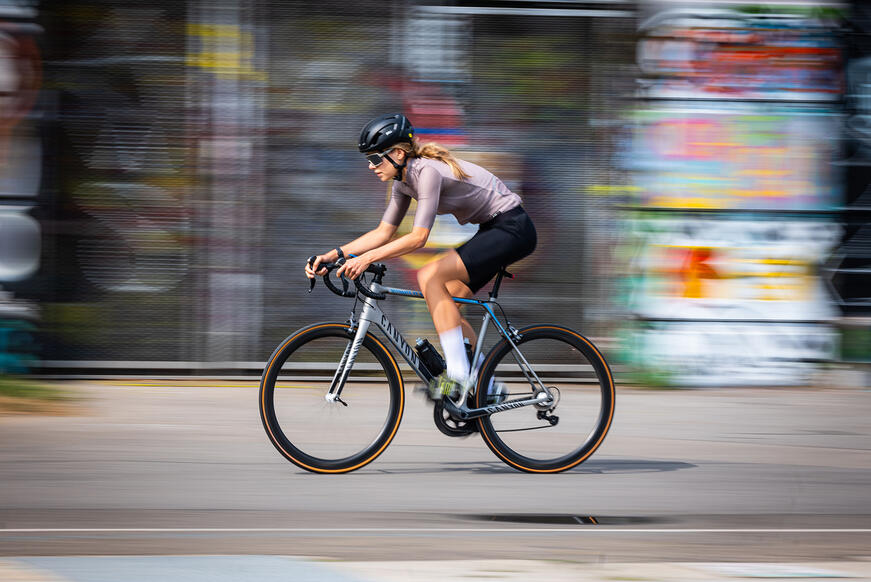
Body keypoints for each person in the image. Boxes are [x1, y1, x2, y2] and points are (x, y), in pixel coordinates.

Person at [305, 113, 537, 401]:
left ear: (398, 154)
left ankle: (459, 378)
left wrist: (365, 260)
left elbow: (418, 237)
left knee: (430, 276)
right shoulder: (403, 183)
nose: (370, 166)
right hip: (495, 228)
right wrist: (334, 255)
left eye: (376, 159)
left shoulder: (426, 171)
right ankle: (486, 387)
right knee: (449, 296)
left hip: (513, 228)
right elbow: (383, 233)